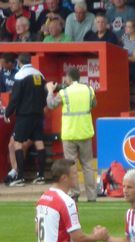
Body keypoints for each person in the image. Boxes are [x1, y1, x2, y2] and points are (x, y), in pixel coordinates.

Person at [47, 67, 97, 202]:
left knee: (71, 167)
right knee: (88, 166)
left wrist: (50, 90)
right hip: (85, 132)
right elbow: (94, 104)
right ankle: (92, 196)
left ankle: (75, 193)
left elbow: (51, 104)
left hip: (69, 134)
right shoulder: (88, 90)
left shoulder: (64, 92)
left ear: (68, 78)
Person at [4, 54, 46, 186]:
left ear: (19, 62)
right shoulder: (39, 75)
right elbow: (44, 95)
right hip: (38, 114)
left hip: (25, 115)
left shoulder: (20, 75)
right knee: (39, 143)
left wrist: (7, 113)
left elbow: (15, 98)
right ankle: (41, 176)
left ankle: (20, 177)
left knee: (17, 143)